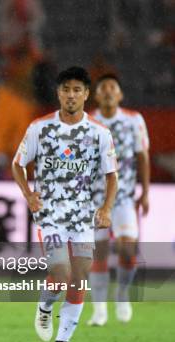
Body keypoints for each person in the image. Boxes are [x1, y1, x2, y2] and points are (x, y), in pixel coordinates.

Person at [12, 67, 118, 342]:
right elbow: (17, 164)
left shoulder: (99, 132)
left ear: (86, 94)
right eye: (65, 89)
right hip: (50, 214)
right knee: (61, 272)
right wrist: (29, 194)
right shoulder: (40, 128)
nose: (71, 95)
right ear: (58, 93)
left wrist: (106, 208)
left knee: (80, 275)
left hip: (83, 216)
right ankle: (45, 307)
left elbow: (112, 176)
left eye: (77, 90)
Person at [87, 74, 150, 326]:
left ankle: (122, 295)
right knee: (99, 253)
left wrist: (145, 192)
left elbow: (142, 156)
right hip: (94, 198)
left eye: (113, 88)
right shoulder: (89, 121)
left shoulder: (134, 120)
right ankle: (99, 310)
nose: (108, 92)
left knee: (126, 247)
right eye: (103, 89)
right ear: (96, 95)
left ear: (120, 95)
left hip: (124, 197)